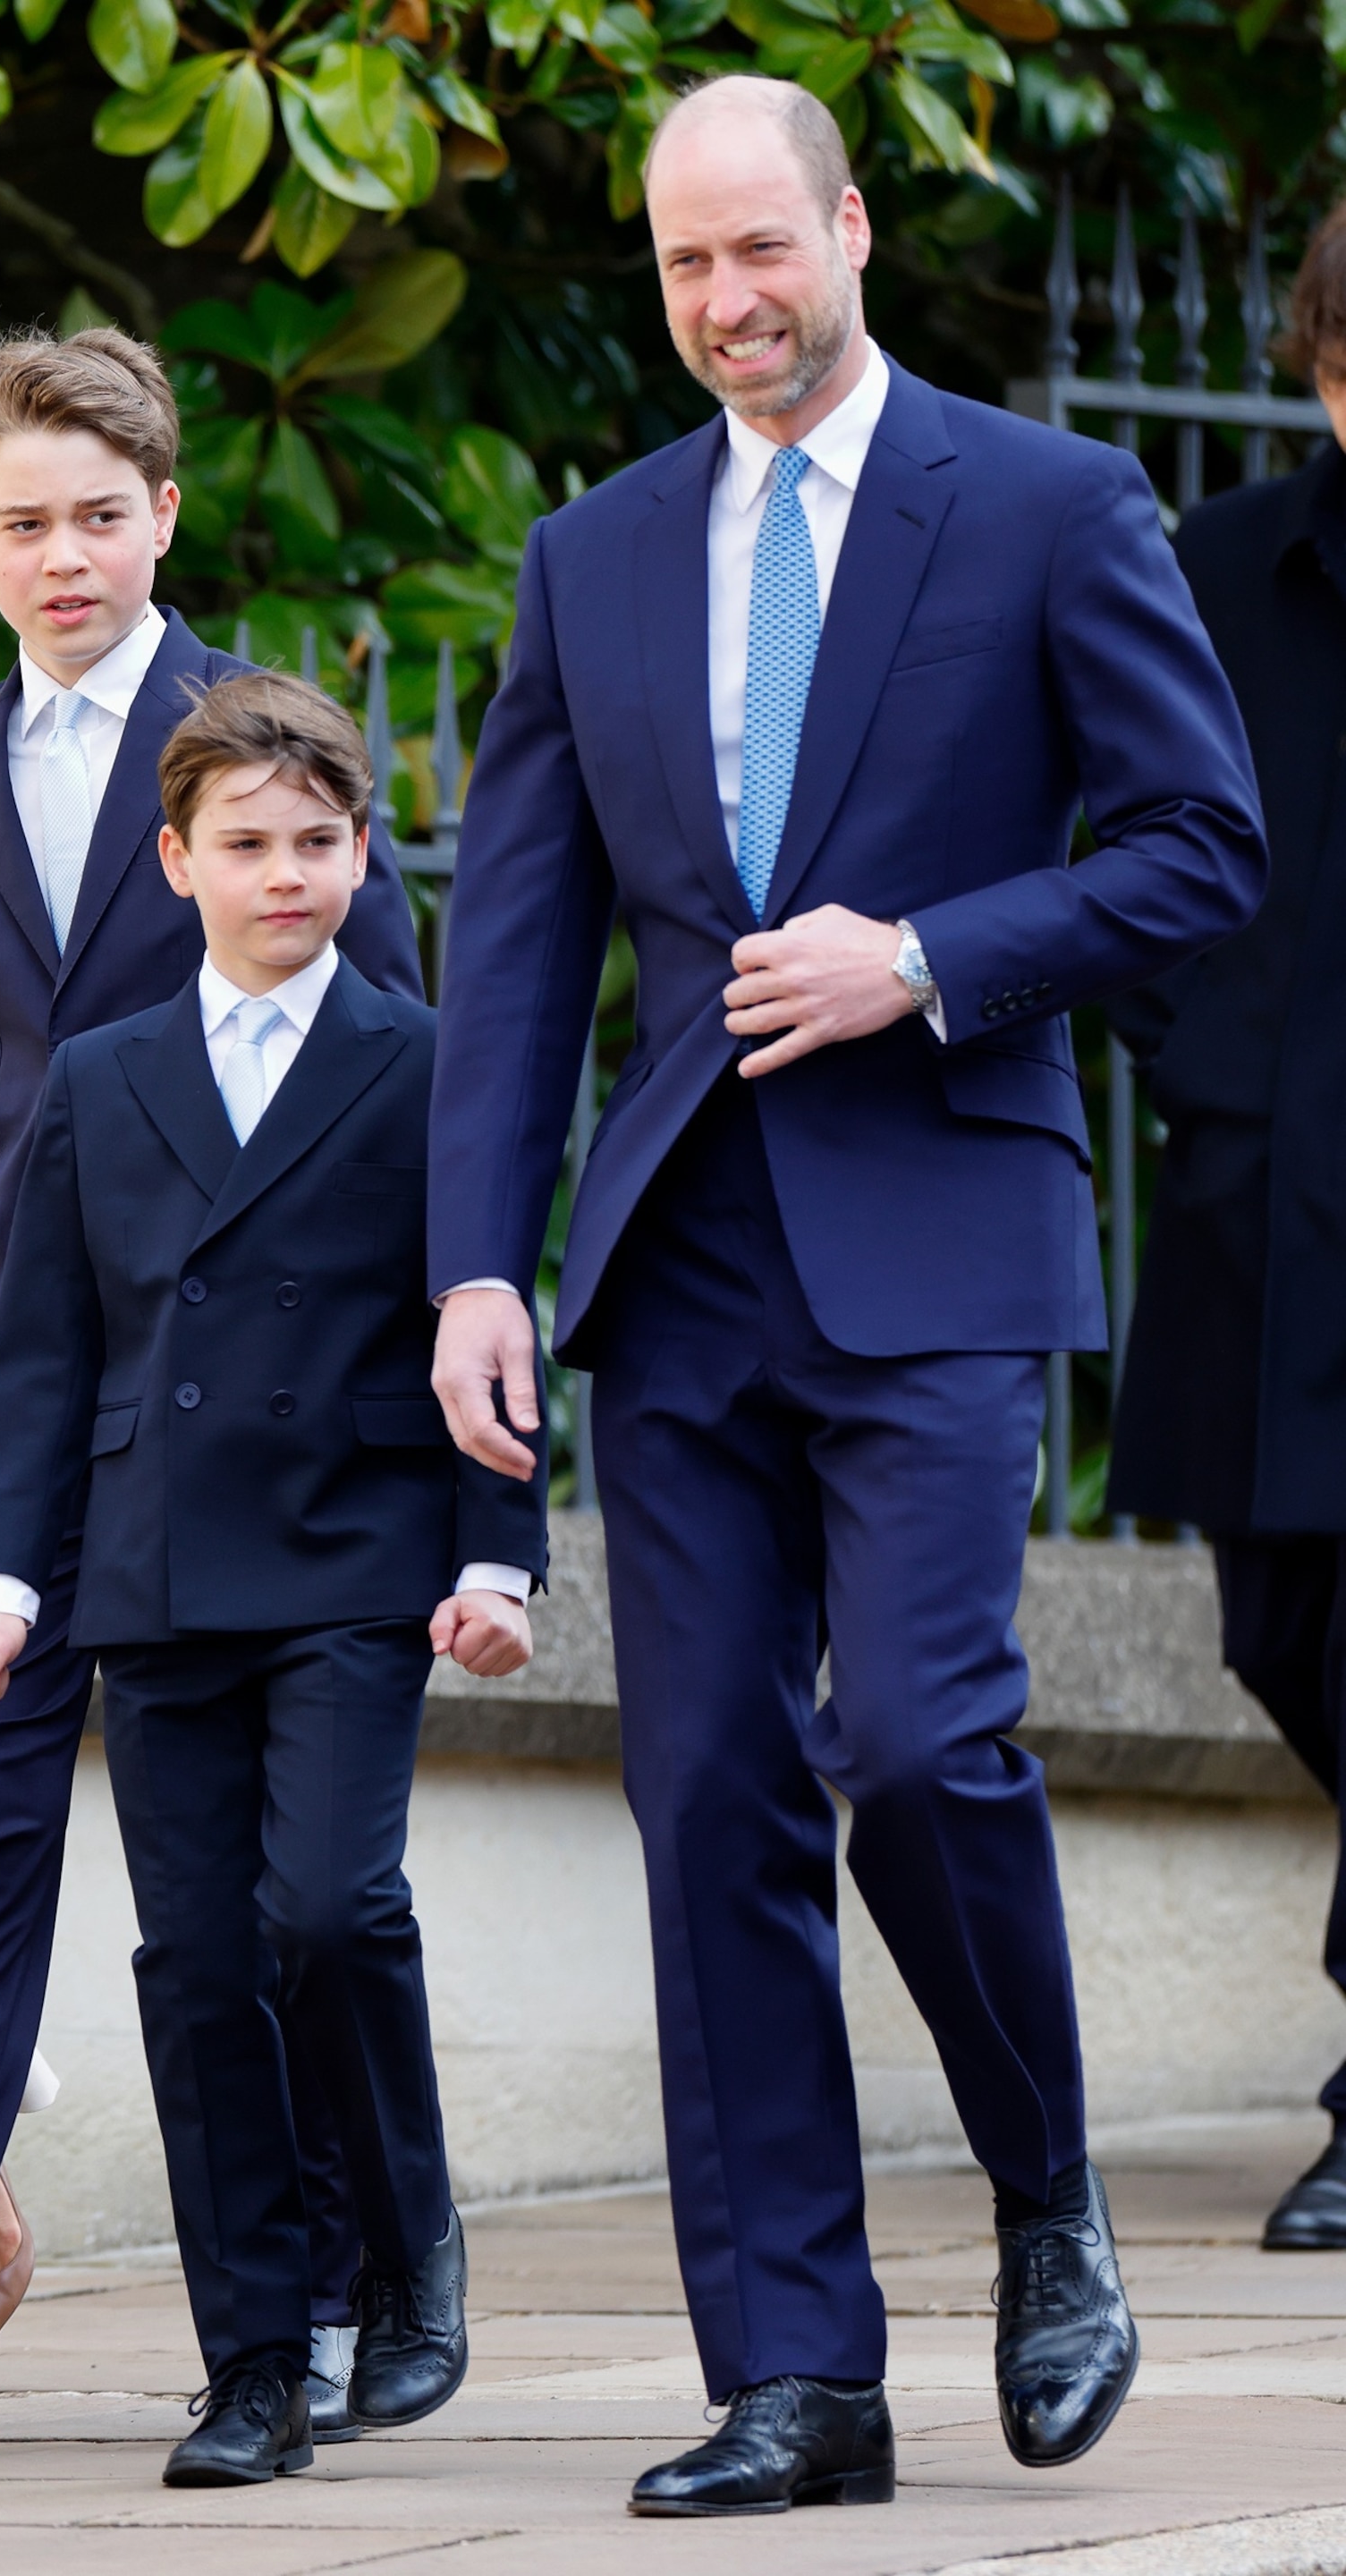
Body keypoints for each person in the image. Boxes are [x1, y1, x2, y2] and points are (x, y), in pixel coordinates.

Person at [424, 76, 1267, 2516]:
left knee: (916, 1735)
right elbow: (519, 947)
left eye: (761, 250)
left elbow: (1201, 849)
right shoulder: (592, 554)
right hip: (682, 1257)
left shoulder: (1046, 504)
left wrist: (925, 955)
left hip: (944, 1229)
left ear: (855, 229)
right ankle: (797, 2376)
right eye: (686, 264)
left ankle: (1047, 2194)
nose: (727, 302)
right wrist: (478, 1261)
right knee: (703, 1796)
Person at [0, 329, 426, 2453]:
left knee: (278, 1903)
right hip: (0, 1399)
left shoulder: (267, 762)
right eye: (22, 524)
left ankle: (342, 2285)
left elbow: (393, 1080)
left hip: (257, 1417)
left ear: (165, 519)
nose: (63, 559)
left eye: (100, 519)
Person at [0, 674, 546, 2487]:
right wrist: (1, 1587)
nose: (286, 874)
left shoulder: (431, 1064)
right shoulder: (101, 1075)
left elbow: (488, 1321)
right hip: (156, 1569)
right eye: (248, 843)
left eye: (318, 842)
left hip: (360, 1555)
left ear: (362, 858)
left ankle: (408, 2249)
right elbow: (43, 1357)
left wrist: (499, 1554)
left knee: (332, 1913)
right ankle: (256, 2362)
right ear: (176, 860)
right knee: (199, 1965)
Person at [1108, 197, 1346, 2253]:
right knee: (1277, 1631)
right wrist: (1194, 1047)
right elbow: (1111, 835)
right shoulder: (1220, 565)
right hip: (1269, 1203)